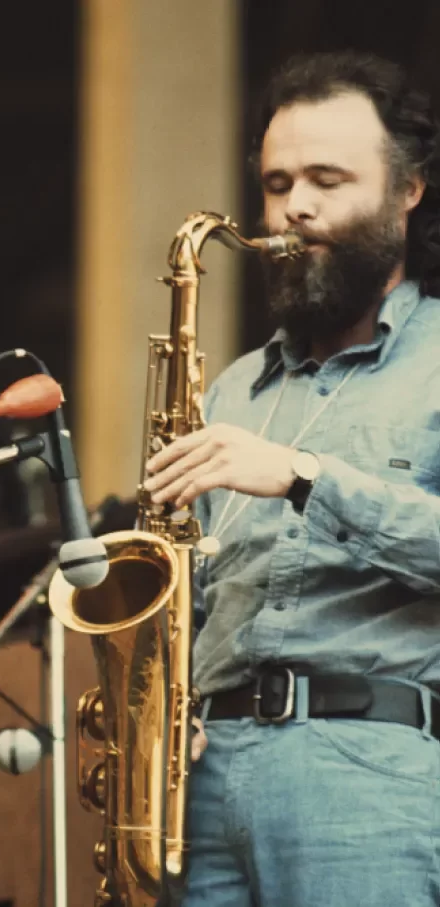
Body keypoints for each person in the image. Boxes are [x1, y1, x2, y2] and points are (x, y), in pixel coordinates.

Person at [143, 51, 440, 907]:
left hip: (365, 773)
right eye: (277, 183)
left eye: (326, 179)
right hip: (199, 783)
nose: (293, 207)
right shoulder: (232, 387)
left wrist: (306, 475)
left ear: (407, 190)